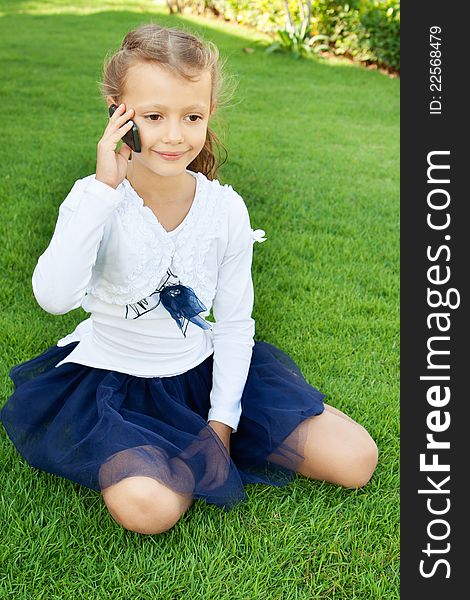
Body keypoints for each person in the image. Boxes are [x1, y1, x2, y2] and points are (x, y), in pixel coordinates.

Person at [0, 23, 377, 535]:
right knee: (149, 511)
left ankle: (208, 439)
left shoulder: (224, 207)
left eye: (191, 116)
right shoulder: (96, 199)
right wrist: (104, 190)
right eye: (154, 116)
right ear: (119, 112)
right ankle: (156, 453)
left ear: (209, 116)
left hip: (202, 371)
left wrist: (221, 422)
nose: (175, 135)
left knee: (357, 459)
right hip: (117, 385)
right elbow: (53, 297)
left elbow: (235, 323)